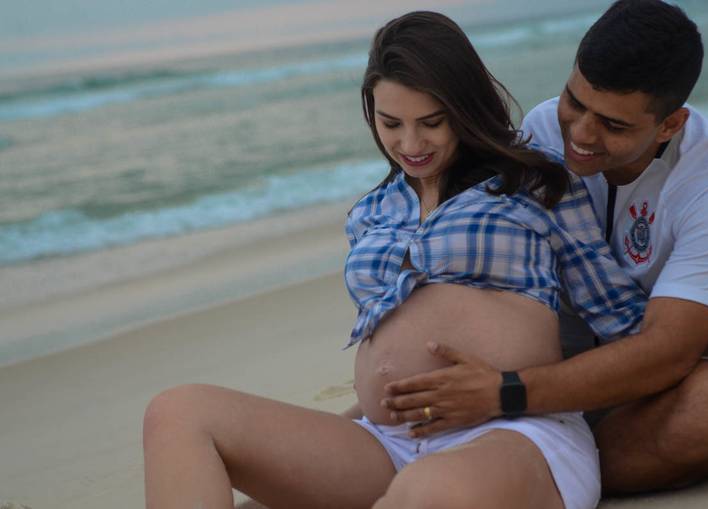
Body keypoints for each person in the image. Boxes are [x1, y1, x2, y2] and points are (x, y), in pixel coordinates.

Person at [143, 11, 648, 509]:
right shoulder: (371, 212)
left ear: (466, 109)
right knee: (179, 412)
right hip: (386, 443)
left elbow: (622, 318)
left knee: (428, 492)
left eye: (431, 123)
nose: (410, 144)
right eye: (391, 123)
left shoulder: (537, 184)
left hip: (514, 432)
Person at [379, 0, 708, 495]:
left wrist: (506, 394)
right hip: (546, 366)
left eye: (614, 125)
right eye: (574, 101)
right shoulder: (543, 131)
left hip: (666, 380)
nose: (580, 134)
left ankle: (530, 478)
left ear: (670, 124)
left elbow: (666, 353)